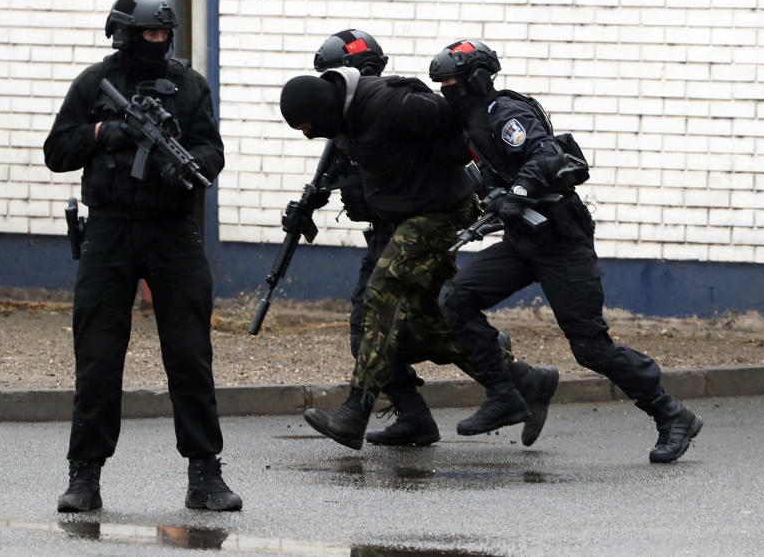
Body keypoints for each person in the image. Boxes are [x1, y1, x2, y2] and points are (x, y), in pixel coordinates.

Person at [430, 40, 703, 463]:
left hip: (560, 240)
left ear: (478, 79)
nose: (449, 91)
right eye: (443, 84)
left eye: (453, 83)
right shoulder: (470, 123)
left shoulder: (505, 114)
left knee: (590, 347)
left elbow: (545, 153)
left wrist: (519, 191)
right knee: (456, 298)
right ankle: (509, 391)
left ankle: (672, 414)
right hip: (523, 241)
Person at [278, 63, 559, 451]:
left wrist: (475, 169)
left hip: (441, 211)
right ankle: (521, 382)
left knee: (382, 291)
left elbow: (457, 117)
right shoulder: (346, 121)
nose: (307, 135)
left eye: (306, 125)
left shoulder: (388, 102)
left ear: (322, 111)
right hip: (409, 217)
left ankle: (354, 413)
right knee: (428, 323)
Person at [44, 0, 242, 512]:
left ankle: (206, 474)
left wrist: (184, 164)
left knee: (191, 354)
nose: (157, 42)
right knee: (98, 356)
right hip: (109, 232)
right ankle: (84, 476)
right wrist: (106, 131)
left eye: (164, 35)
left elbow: (211, 151)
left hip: (172, 232)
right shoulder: (94, 84)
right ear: (124, 33)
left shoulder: (188, 86)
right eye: (148, 34)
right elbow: (57, 151)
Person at [310, 29, 439, 446]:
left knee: (412, 328)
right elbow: (336, 173)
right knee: (371, 327)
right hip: (382, 235)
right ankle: (414, 415)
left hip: (413, 235)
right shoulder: (348, 120)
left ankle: (514, 373)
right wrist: (308, 203)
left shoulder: (393, 108)